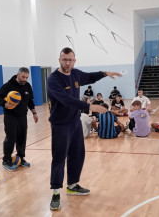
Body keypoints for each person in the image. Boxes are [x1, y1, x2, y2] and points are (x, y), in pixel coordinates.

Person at [47, 47, 121, 210]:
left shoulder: (75, 74)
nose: (67, 62)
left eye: (70, 59)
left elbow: (89, 77)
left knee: (77, 154)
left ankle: (72, 185)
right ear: (59, 60)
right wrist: (89, 106)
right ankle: (56, 193)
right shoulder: (53, 79)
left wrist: (104, 73)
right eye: (64, 59)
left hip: (75, 122)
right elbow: (65, 99)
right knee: (59, 158)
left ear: (74, 60)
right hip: (60, 124)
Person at [0, 67, 38, 171]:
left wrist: (34, 112)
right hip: (10, 116)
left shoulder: (27, 86)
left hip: (23, 116)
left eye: (27, 77)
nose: (25, 79)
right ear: (17, 75)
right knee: (11, 138)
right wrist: (5, 104)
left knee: (22, 138)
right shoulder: (8, 86)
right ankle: (6, 160)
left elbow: (30, 101)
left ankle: (20, 158)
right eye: (23, 77)